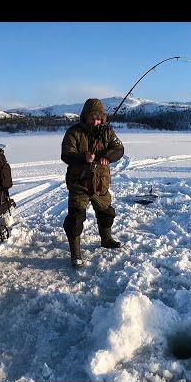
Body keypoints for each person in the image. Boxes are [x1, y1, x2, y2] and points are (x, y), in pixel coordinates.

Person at [61, 98, 125, 268]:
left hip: (100, 184)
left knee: (107, 213)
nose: (96, 122)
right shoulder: (73, 132)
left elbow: (119, 149)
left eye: (99, 118)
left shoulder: (108, 132)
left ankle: (106, 239)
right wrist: (83, 158)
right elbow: (66, 155)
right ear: (85, 117)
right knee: (75, 219)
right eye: (92, 118)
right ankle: (75, 254)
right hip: (79, 184)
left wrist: (107, 157)